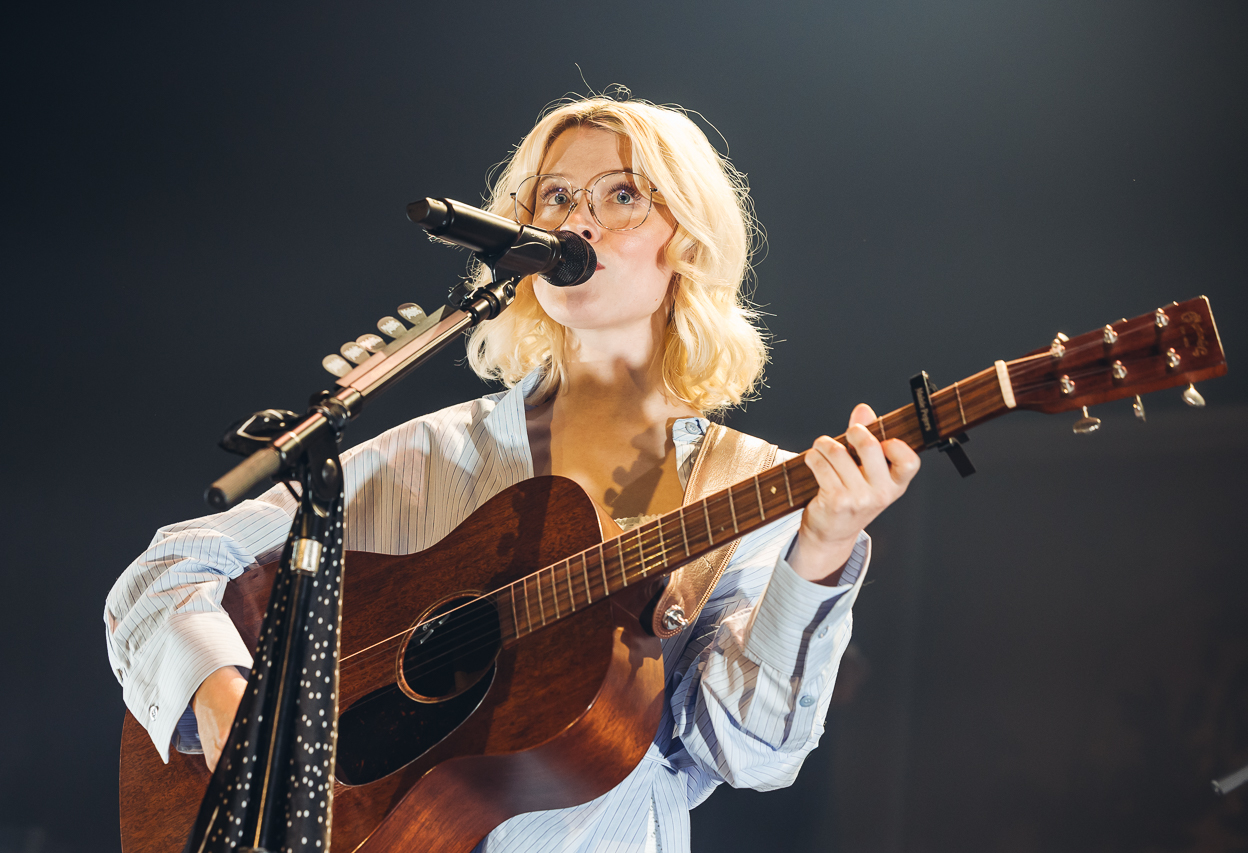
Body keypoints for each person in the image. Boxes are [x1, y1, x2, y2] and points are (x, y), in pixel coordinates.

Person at [105, 95, 920, 852]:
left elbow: (750, 749)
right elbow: (167, 569)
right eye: (556, 198)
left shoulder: (750, 485)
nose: (579, 221)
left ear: (690, 241)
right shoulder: (436, 453)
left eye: (623, 195)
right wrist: (226, 705)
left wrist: (821, 553)